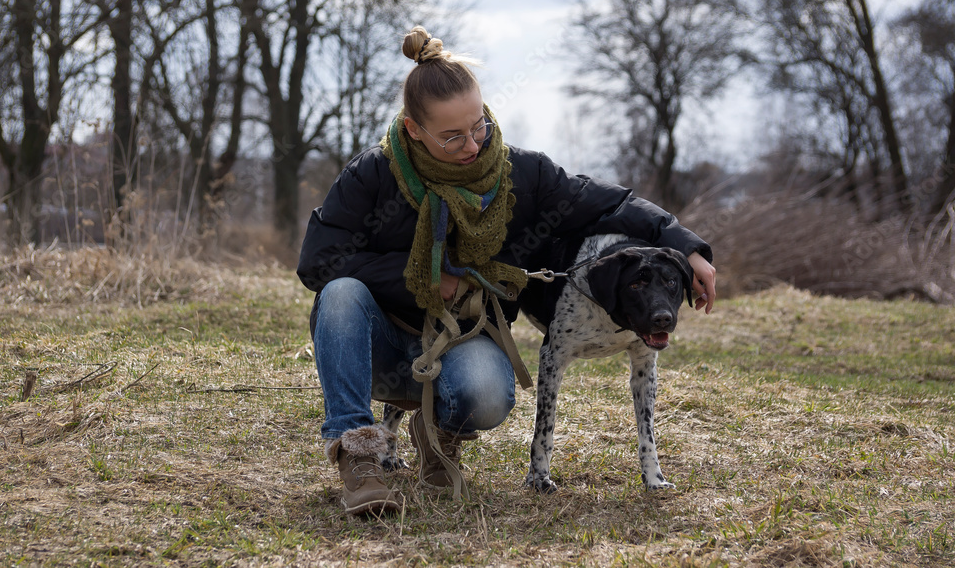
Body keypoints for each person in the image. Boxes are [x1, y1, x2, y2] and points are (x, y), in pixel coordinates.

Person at [297, 26, 716, 516]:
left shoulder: (523, 174)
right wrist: (426, 275)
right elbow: (318, 262)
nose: (472, 144)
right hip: (380, 341)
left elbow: (612, 204)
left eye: (478, 125)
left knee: (487, 397)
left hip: (465, 335)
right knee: (341, 292)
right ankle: (360, 458)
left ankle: (437, 432)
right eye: (452, 136)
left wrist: (685, 245)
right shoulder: (373, 173)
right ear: (413, 129)